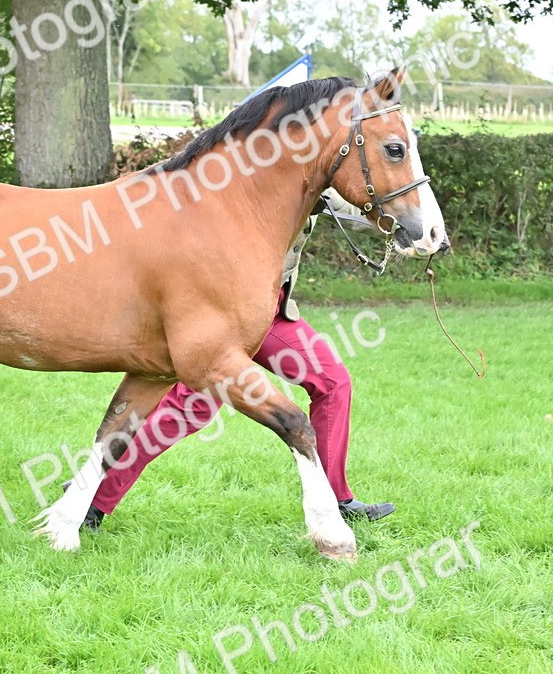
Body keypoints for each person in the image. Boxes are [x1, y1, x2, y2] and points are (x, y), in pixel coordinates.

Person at [79, 188, 396, 530]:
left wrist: (409, 227)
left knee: (332, 382)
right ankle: (90, 499)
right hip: (222, 311)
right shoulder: (250, 169)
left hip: (272, 312)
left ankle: (337, 500)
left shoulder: (317, 170)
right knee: (191, 408)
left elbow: (356, 210)